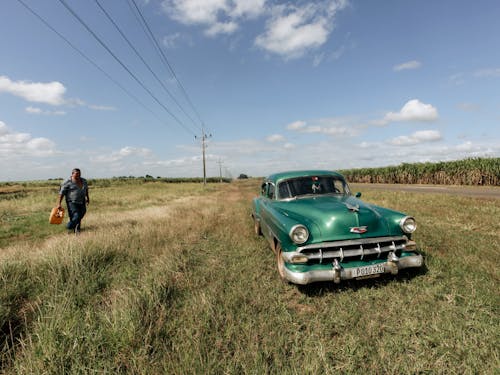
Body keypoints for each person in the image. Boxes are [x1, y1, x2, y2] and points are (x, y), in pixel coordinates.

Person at [57, 168, 89, 233]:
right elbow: (61, 193)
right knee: (76, 215)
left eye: (79, 174)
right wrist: (59, 203)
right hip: (72, 202)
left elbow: (86, 189)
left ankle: (73, 226)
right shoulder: (67, 182)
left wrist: (87, 198)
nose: (78, 175)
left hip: (82, 201)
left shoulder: (84, 181)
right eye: (76, 174)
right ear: (72, 174)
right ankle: (72, 227)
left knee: (82, 213)